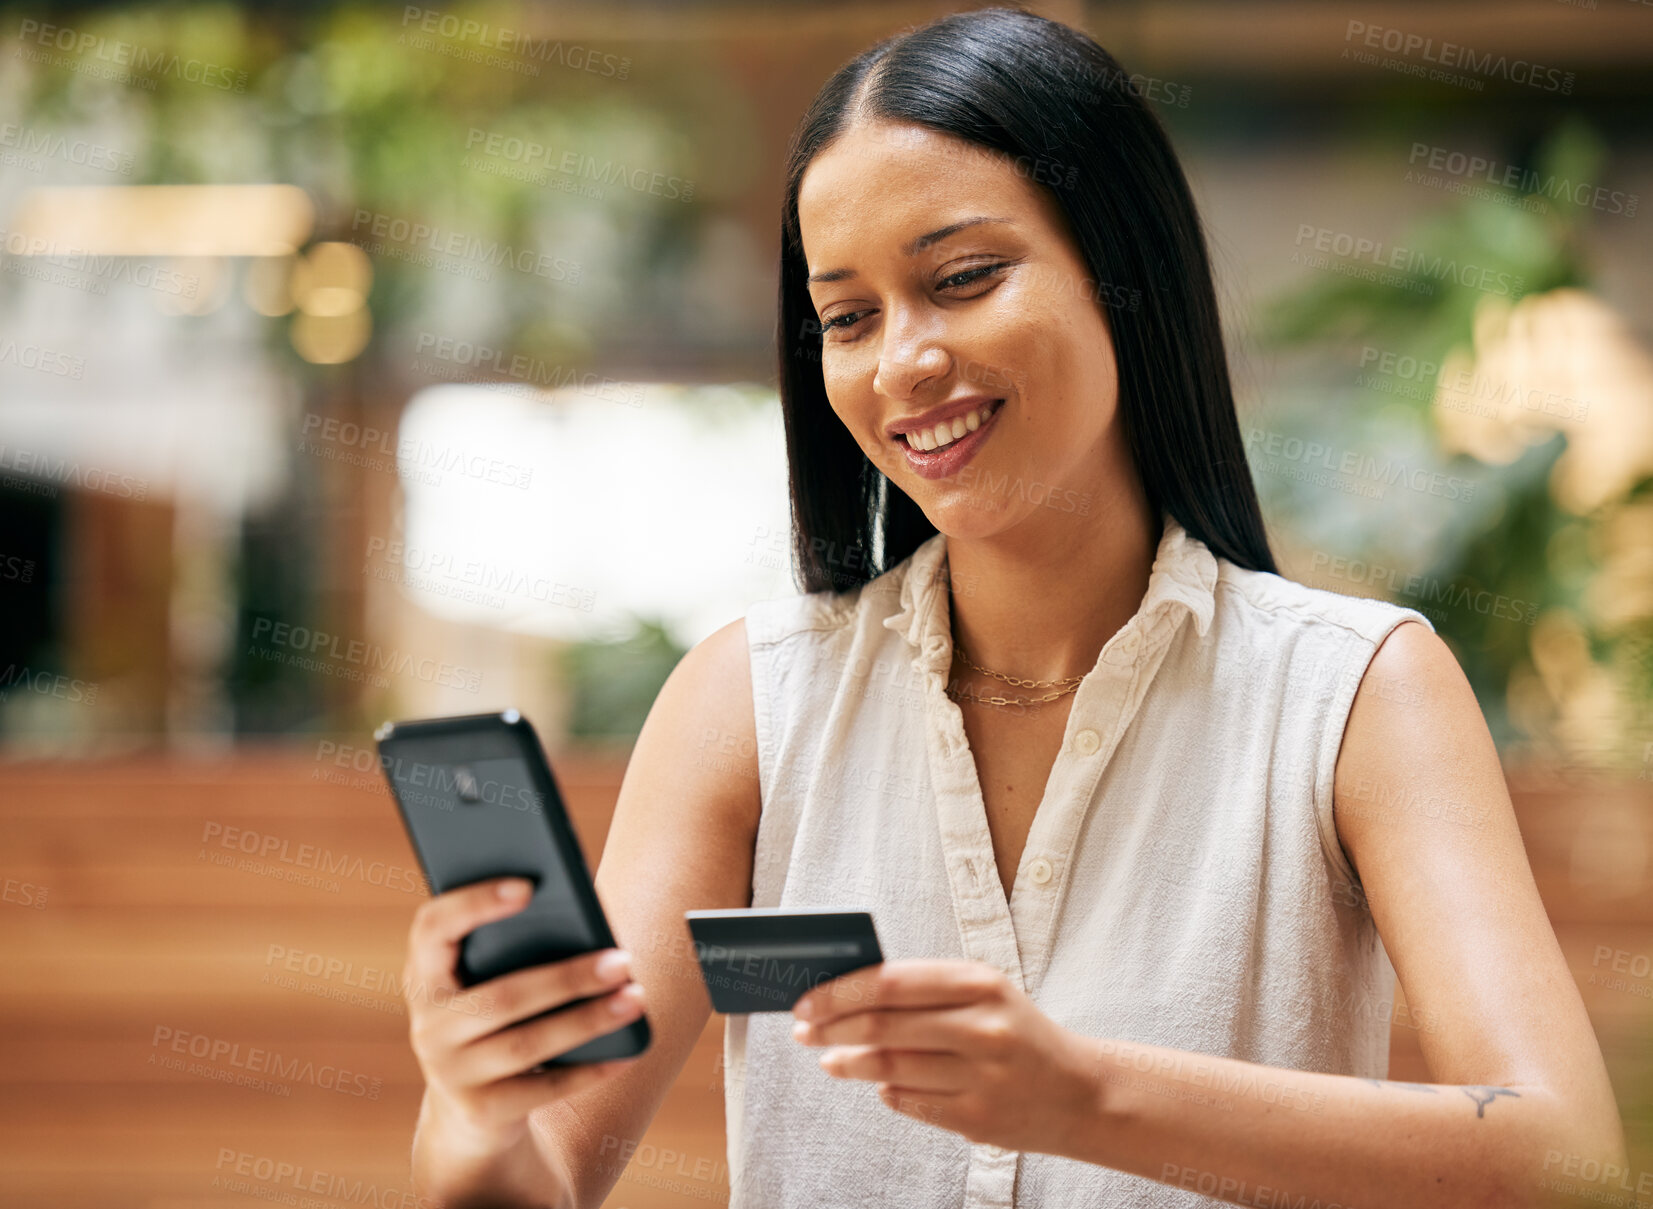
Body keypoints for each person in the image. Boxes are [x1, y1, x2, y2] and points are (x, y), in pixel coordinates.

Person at [401, 8, 1625, 1207]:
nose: (902, 362)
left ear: (1122, 272)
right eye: (848, 315)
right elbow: (538, 1180)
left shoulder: (1354, 693)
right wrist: (474, 1108)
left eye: (965, 277)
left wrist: (1081, 1098)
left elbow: (1561, 1163)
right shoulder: (747, 702)